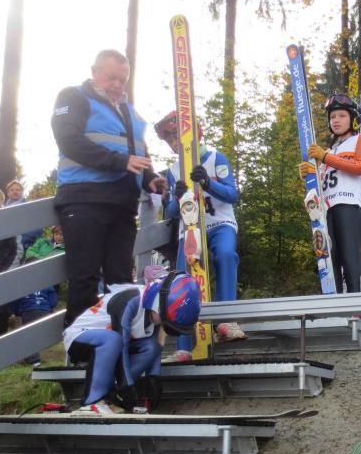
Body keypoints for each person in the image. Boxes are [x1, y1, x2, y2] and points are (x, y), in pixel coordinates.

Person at [51, 49, 168, 327]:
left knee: (121, 280)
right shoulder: (73, 97)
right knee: (85, 276)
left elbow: (137, 152)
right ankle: (81, 349)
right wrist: (120, 162)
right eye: (111, 77)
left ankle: (121, 340)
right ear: (95, 72)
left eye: (123, 80)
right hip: (83, 200)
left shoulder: (130, 111)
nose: (117, 85)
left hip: (122, 206)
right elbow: (68, 141)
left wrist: (149, 177)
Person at [154, 111, 245, 361]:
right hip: (191, 230)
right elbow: (171, 213)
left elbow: (232, 194)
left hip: (220, 223)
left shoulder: (216, 157)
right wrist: (178, 196)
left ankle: (227, 322)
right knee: (183, 276)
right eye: (169, 138)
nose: (174, 142)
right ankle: (184, 345)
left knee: (226, 255)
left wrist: (207, 183)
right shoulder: (172, 171)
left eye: (177, 135)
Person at [63, 271, 201, 414]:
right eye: (164, 319)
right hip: (80, 337)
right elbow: (121, 342)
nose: (162, 324)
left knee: (151, 347)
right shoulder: (130, 301)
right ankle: (92, 401)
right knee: (113, 339)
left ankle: (112, 395)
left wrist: (153, 379)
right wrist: (127, 387)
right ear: (157, 304)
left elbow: (155, 347)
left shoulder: (154, 313)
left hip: (114, 346)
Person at [299, 93, 361, 293]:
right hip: (327, 208)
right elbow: (323, 181)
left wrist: (324, 157)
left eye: (341, 115)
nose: (336, 120)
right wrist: (310, 173)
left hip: (348, 204)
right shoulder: (329, 151)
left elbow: (360, 166)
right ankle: (336, 306)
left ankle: (357, 306)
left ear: (352, 118)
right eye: (332, 117)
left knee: (350, 256)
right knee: (330, 259)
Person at [11, 225, 64, 366]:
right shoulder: (46, 283)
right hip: (44, 309)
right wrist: (50, 307)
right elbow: (52, 298)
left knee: (29, 335)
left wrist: (17, 312)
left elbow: (15, 301)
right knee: (36, 333)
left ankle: (34, 360)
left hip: (28, 311)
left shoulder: (21, 285)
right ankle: (34, 355)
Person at [0, 186, 18, 338]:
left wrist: (5, 266)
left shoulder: (6, 218)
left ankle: (0, 340)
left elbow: (13, 248)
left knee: (1, 307)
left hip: (2, 268)